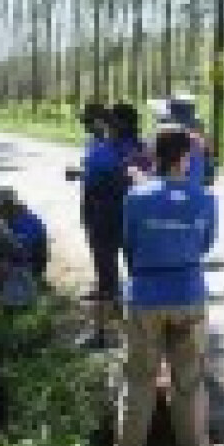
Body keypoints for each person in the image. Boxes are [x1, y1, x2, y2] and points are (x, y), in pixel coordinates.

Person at [112, 127, 217, 446]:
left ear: (153, 156)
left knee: (139, 381)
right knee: (188, 382)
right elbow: (204, 245)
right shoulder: (204, 198)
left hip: (144, 297)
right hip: (188, 295)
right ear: (186, 158)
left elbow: (127, 243)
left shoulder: (136, 197)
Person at [80, 104, 140, 348]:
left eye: (111, 122)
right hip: (134, 217)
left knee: (106, 277)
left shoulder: (102, 150)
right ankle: (139, 332)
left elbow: (91, 178)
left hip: (104, 216)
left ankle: (103, 335)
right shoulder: (141, 149)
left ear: (118, 125)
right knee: (137, 273)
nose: (108, 126)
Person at [0, 188, 49, 277]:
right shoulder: (11, 218)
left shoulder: (27, 222)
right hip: (23, 261)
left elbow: (20, 247)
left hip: (28, 267)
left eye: (0, 207)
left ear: (9, 205)